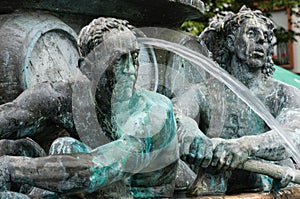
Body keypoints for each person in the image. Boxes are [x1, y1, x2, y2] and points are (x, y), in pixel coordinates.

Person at [0, 17, 179, 198]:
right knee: (14, 147)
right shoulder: (64, 96)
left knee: (67, 148)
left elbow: (93, 172)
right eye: (118, 60)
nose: (131, 70)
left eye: (134, 58)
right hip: (88, 187)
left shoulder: (154, 113)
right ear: (87, 67)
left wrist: (11, 167)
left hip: (132, 194)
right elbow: (9, 117)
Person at [172, 6, 300, 195]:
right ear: (231, 43)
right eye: (251, 33)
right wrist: (192, 135)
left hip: (272, 184)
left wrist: (245, 146)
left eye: (266, 38)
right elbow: (174, 112)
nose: (261, 41)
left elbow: (293, 134)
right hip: (216, 185)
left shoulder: (284, 93)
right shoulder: (205, 92)